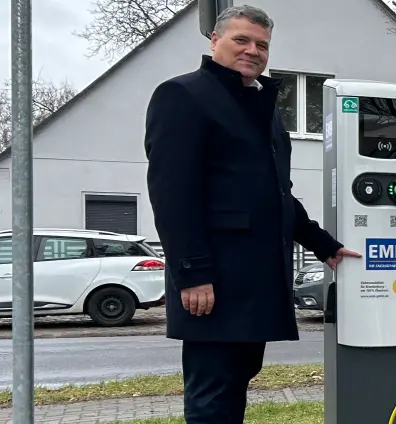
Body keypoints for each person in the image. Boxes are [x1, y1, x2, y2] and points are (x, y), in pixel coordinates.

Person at [143, 5, 362, 423]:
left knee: (238, 380)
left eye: (261, 44)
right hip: (213, 280)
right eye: (241, 40)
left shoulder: (265, 108)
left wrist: (323, 245)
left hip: (256, 280)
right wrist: (192, 272)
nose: (252, 50)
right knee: (212, 390)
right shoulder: (182, 95)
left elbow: (278, 195)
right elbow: (172, 194)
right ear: (214, 40)